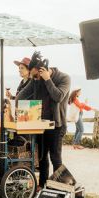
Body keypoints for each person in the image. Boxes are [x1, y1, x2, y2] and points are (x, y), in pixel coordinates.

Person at [16, 51, 71, 189]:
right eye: (33, 76)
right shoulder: (35, 80)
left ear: (42, 71)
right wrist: (21, 106)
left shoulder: (64, 78)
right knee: (42, 158)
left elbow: (58, 97)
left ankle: (59, 189)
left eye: (35, 75)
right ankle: (42, 186)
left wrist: (47, 80)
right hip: (39, 125)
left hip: (56, 126)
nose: (34, 79)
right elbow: (20, 96)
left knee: (55, 158)